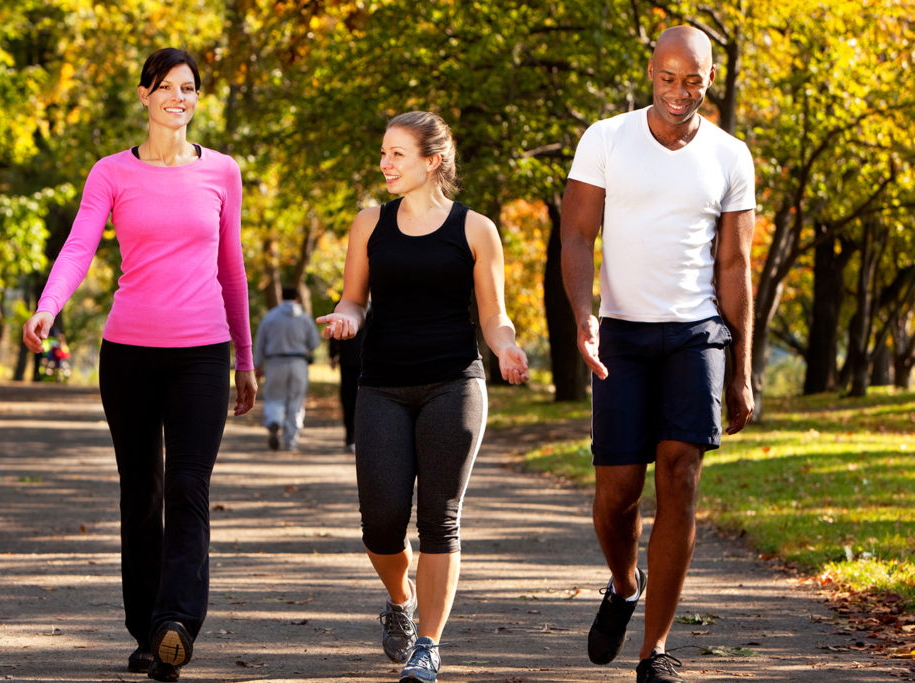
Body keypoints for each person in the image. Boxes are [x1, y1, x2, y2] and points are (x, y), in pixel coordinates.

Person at [21, 48, 257, 683]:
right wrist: (49, 308)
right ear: (144, 94)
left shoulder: (223, 173)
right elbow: (78, 247)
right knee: (141, 491)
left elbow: (230, 269)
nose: (180, 97)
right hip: (127, 355)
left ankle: (176, 623)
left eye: (190, 88)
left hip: (202, 355)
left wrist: (244, 356)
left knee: (188, 488)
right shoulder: (110, 173)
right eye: (168, 87)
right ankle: (146, 630)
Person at [560, 26, 755, 683]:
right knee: (617, 493)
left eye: (692, 79)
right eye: (668, 78)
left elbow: (735, 267)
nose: (679, 91)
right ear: (651, 71)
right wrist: (583, 316)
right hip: (621, 333)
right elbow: (578, 235)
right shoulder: (606, 139)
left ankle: (656, 650)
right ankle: (623, 582)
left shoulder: (731, 156)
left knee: (680, 480)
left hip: (695, 336)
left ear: (708, 79)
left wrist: (743, 370)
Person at [317, 110, 530, 682]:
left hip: (454, 383)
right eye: (383, 153)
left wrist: (507, 348)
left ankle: (428, 647)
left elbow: (494, 314)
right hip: (382, 384)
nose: (384, 163)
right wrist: (344, 316)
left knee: (440, 519)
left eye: (397, 154)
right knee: (381, 524)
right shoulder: (369, 224)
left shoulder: (476, 229)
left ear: (431, 161)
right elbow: (355, 299)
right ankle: (400, 598)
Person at [253, 285, 321, 452]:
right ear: (297, 298)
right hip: (298, 363)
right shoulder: (304, 318)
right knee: (296, 402)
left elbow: (260, 343)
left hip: (275, 363)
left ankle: (274, 421)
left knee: (274, 397)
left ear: (281, 296)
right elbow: (314, 342)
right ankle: (291, 441)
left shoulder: (270, 317)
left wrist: (257, 365)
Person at [327, 307, 366, 452]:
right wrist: (332, 354)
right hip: (358, 361)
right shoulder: (344, 305)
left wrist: (332, 355)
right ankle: (352, 436)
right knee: (353, 399)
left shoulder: (344, 306)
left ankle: (353, 437)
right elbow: (333, 332)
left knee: (351, 399)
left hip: (353, 360)